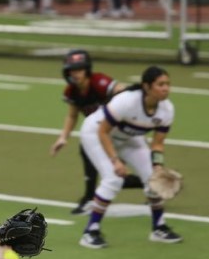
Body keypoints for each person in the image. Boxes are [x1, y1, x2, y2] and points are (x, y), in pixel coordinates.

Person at [78, 65, 183, 248]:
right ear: (147, 87)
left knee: (153, 178)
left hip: (128, 137)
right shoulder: (126, 101)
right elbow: (103, 132)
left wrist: (158, 166)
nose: (166, 88)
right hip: (95, 133)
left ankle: (158, 228)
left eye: (168, 84)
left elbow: (157, 144)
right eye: (160, 84)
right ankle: (90, 231)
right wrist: (115, 161)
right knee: (113, 179)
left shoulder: (167, 110)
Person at [50, 49, 143, 215]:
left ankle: (90, 197)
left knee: (113, 174)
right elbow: (72, 115)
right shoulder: (72, 91)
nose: (75, 73)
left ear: (87, 70)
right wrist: (63, 137)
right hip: (101, 132)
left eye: (79, 69)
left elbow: (122, 91)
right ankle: (151, 184)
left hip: (118, 130)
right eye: (72, 70)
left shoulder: (99, 82)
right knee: (115, 176)